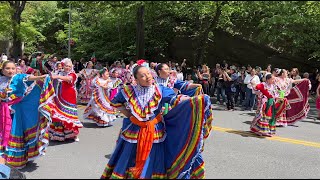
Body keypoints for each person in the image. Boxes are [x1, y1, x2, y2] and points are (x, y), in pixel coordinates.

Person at [100, 64, 213, 179]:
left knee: (152, 162)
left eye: (148, 73)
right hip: (134, 132)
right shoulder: (128, 90)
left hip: (154, 132)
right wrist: (129, 115)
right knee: (129, 159)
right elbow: (115, 102)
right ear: (136, 79)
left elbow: (177, 99)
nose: (148, 77)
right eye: (143, 76)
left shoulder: (160, 89)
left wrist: (197, 101)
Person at [0, 61, 55, 169]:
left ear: (16, 69)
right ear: (2, 70)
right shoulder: (1, 80)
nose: (10, 71)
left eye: (12, 68)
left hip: (15, 111)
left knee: (13, 131)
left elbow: (28, 78)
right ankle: (3, 157)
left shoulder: (17, 78)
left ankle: (14, 159)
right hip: (2, 110)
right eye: (7, 68)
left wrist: (42, 76)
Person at [49, 58, 83, 142]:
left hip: (69, 98)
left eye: (69, 66)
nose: (67, 67)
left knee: (69, 115)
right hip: (58, 97)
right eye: (66, 66)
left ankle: (73, 134)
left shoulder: (73, 74)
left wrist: (56, 76)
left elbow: (68, 79)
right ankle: (59, 133)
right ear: (63, 66)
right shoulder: (59, 72)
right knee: (59, 115)